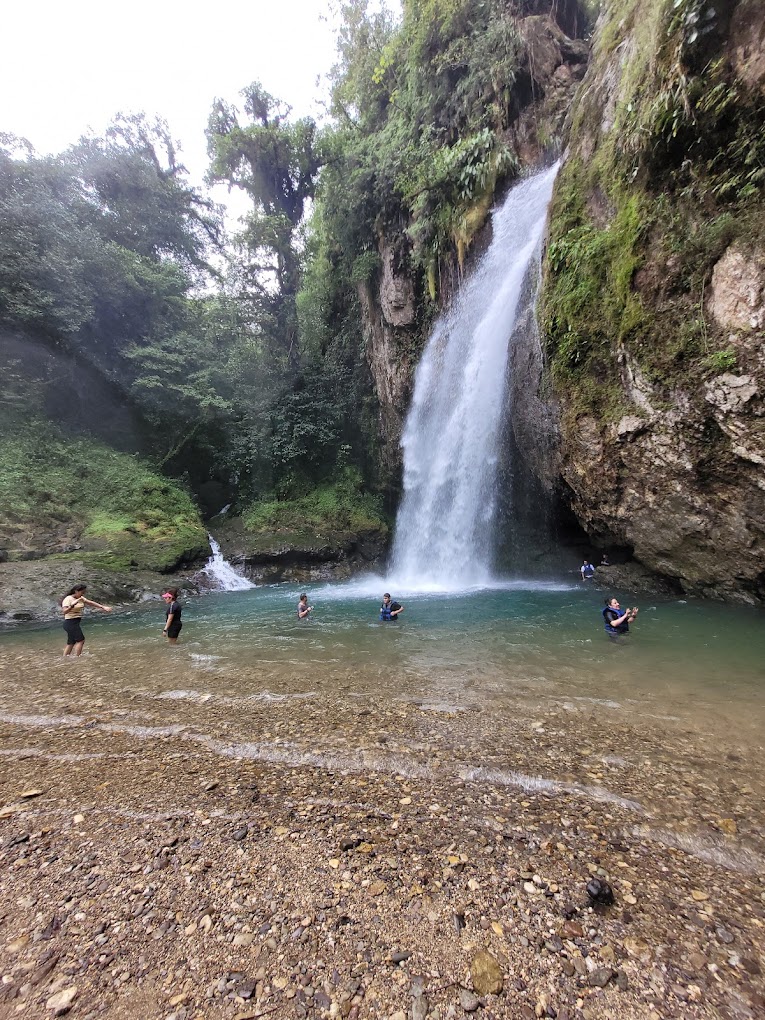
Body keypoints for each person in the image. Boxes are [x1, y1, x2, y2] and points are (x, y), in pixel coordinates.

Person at [61, 584, 112, 656]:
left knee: (71, 642)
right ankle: (77, 657)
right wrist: (72, 606)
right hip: (70, 622)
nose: (83, 594)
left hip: (75, 622)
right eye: (82, 592)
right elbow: (64, 611)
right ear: (76, 591)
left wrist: (103, 607)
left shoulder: (80, 598)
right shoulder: (68, 599)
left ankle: (65, 658)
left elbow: (90, 602)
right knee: (81, 640)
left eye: (84, 592)